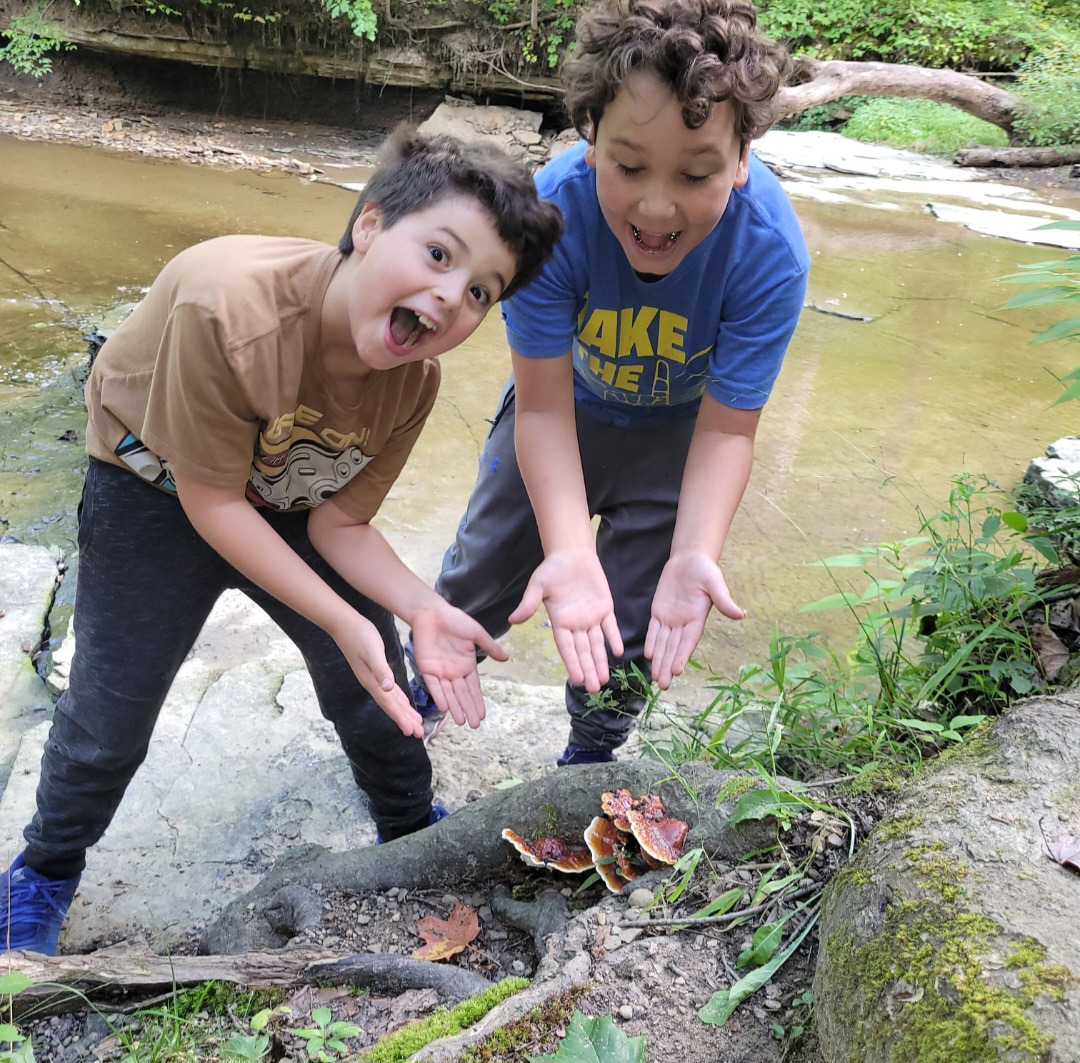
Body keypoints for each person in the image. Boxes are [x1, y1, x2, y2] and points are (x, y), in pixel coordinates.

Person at [0, 126, 562, 956]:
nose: (452, 297)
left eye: (483, 291)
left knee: (378, 678)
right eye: (439, 254)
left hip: (293, 489)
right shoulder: (227, 309)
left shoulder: (413, 381)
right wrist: (340, 617)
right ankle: (44, 870)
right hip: (154, 486)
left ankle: (409, 827)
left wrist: (419, 607)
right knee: (109, 716)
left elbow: (340, 525)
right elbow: (214, 504)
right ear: (369, 225)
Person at [408, 0, 810, 764]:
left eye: (696, 173)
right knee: (481, 570)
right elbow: (542, 407)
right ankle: (421, 697)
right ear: (590, 138)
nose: (656, 207)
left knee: (636, 623)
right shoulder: (550, 214)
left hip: (679, 441)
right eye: (629, 166)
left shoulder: (769, 254)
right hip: (560, 412)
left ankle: (591, 755)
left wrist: (696, 550)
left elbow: (728, 429)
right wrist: (566, 547)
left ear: (742, 159)